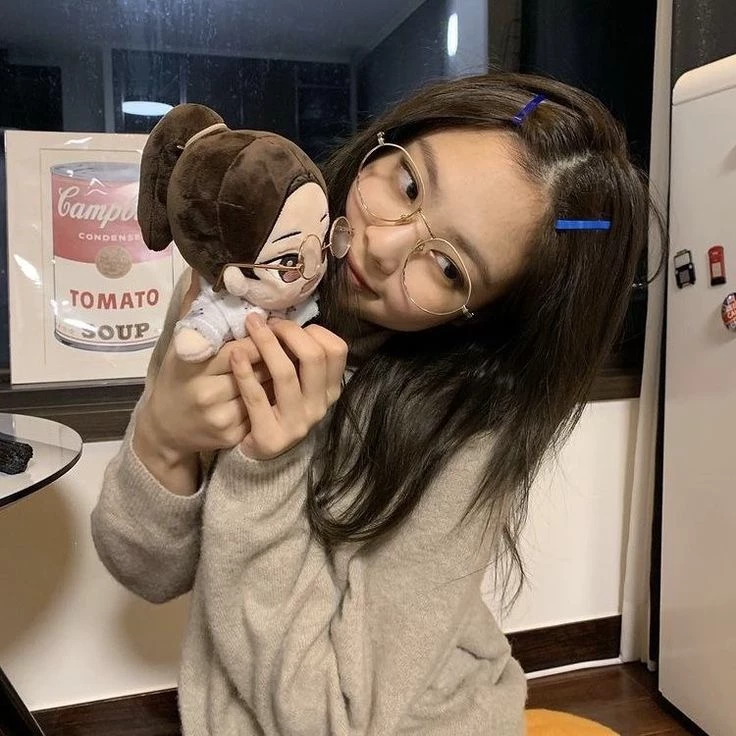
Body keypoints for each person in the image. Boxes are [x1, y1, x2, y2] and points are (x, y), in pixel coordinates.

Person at [91, 72, 655, 735]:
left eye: (449, 267)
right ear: (387, 139)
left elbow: (333, 719)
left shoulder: (471, 429)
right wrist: (163, 436)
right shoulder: (233, 287)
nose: (383, 246)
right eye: (409, 184)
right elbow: (146, 571)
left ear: (478, 317)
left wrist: (266, 468)